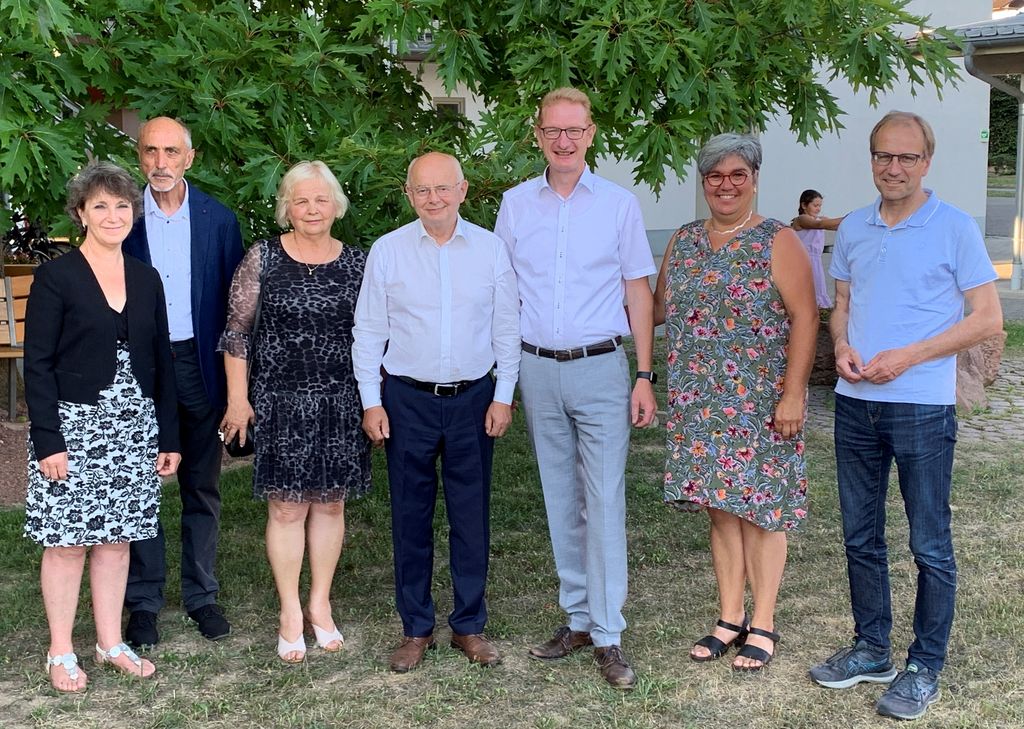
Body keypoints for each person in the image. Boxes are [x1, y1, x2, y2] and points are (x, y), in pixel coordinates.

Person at [808, 112, 1003, 720]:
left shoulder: (955, 227)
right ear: (871, 159)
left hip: (921, 405)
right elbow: (841, 303)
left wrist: (910, 356)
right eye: (883, 156)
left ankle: (924, 664)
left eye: (907, 158)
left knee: (929, 543)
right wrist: (839, 347)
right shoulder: (857, 229)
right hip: (855, 406)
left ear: (926, 162)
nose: (894, 168)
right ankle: (871, 648)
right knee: (860, 536)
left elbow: (987, 318)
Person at [494, 87, 656, 690]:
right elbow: (503, 294)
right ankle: (579, 618)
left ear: (591, 134)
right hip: (538, 368)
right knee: (560, 496)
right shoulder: (515, 205)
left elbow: (638, 290)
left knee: (605, 496)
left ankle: (609, 632)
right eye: (552, 131)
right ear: (537, 135)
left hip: (601, 367)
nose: (564, 141)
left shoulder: (618, 204)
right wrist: (504, 379)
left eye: (575, 130)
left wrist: (643, 374)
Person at [654, 133, 818, 672]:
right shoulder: (683, 240)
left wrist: (794, 394)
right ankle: (729, 617)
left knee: (763, 512)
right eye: (714, 177)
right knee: (721, 511)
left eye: (737, 175)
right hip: (700, 401)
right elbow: (656, 308)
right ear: (703, 183)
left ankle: (763, 621)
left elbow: (806, 318)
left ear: (754, 179)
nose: (725, 185)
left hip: (761, 402)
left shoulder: (778, 240)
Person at [353, 151, 520, 673]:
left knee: (471, 516)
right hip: (406, 399)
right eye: (422, 190)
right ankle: (416, 627)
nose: (434, 199)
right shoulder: (388, 251)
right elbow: (368, 332)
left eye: (443, 189)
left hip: (474, 399)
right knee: (410, 516)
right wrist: (371, 402)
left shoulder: (491, 250)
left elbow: (506, 328)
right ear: (409, 195)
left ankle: (468, 626)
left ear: (463, 191)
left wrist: (503, 395)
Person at [23, 161, 181, 691]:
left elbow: (161, 359)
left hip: (132, 428)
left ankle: (111, 642)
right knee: (67, 543)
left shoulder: (146, 277)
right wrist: (48, 440)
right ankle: (61, 651)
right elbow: (37, 364)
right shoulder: (56, 276)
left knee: (117, 541)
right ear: (81, 213)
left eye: (122, 205)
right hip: (72, 428)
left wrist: (168, 436)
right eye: (100, 206)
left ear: (133, 213)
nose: (113, 215)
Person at [219, 161, 372, 662]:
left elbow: (373, 335)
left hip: (339, 400)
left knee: (330, 504)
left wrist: (373, 399)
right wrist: (238, 399)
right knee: (286, 507)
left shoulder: (357, 262)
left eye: (321, 200)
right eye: (301, 200)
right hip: (279, 400)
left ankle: (320, 605)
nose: (311, 209)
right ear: (287, 206)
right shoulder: (263, 257)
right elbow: (238, 331)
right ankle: (289, 610)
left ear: (336, 206)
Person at [122, 117, 243, 647]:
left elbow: (237, 312)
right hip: (140, 367)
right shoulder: (122, 220)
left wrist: (237, 387)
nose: (161, 163)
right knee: (138, 486)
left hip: (198, 362)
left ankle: (202, 596)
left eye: (171, 151)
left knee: (201, 484)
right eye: (151, 151)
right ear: (140, 157)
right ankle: (143, 601)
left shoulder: (218, 220)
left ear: (189, 158)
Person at [790, 189, 844, 308]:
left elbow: (834, 225)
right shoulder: (801, 219)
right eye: (815, 205)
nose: (818, 208)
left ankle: (819, 312)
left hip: (816, 261)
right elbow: (819, 225)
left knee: (818, 288)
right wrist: (847, 217)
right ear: (804, 205)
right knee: (806, 290)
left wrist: (853, 222)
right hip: (803, 261)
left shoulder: (820, 219)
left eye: (820, 205)